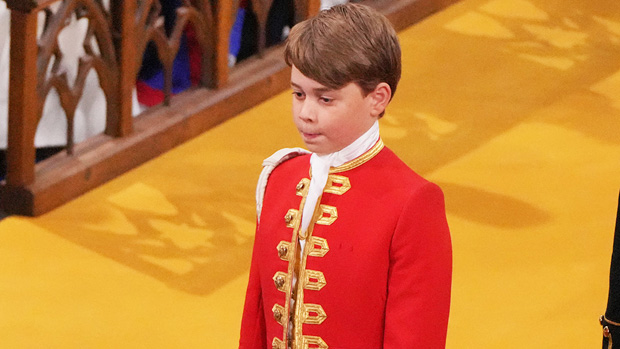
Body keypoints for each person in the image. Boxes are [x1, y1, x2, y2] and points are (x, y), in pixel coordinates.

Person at [239, 4, 452, 348]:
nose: (305, 114)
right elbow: (257, 319)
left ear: (377, 98)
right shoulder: (278, 178)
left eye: (325, 98)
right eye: (298, 94)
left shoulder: (412, 202)